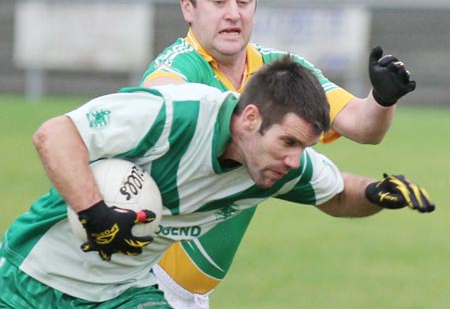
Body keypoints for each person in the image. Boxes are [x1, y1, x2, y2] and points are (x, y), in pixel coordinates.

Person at [0, 57, 434, 308]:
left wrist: (378, 194)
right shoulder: (175, 114)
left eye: (304, 147)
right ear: (250, 119)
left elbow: (338, 193)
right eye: (287, 142)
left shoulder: (282, 164)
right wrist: (95, 213)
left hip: (123, 293)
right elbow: (54, 134)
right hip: (33, 277)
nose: (293, 159)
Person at [140, 0, 418, 308]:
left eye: (244, 0)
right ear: (188, 8)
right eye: (217, 0)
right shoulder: (182, 66)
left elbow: (364, 127)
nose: (233, 14)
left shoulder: (278, 71)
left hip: (192, 295)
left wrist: (382, 98)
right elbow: (158, 97)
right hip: (142, 276)